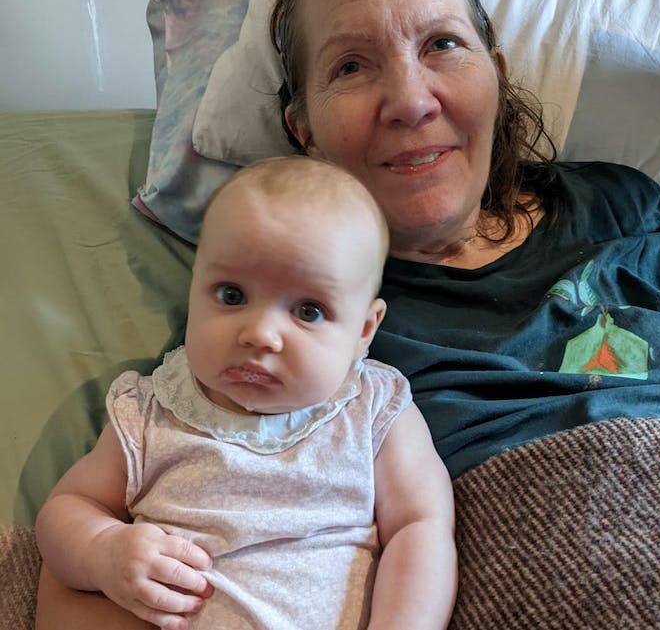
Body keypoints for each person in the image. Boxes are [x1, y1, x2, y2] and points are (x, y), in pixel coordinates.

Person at [35, 0, 660, 629]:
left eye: (443, 44)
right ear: (303, 128)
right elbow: (107, 569)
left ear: (495, 76)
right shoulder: (297, 320)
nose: (411, 101)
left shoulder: (630, 205)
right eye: (351, 66)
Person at [35, 156, 456, 630]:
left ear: (363, 331)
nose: (260, 334)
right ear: (193, 290)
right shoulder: (151, 412)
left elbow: (421, 528)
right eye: (231, 295)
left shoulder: (373, 409)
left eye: (309, 310)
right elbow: (64, 512)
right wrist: (102, 550)